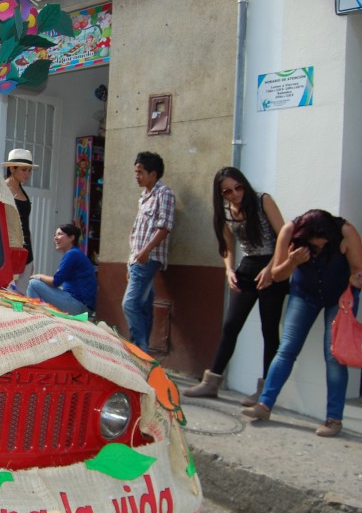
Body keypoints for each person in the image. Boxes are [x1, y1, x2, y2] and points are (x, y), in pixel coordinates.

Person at [242, 210, 362, 437]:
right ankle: (264, 405)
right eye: (315, 246)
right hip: (304, 295)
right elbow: (277, 275)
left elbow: (357, 270)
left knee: (334, 356)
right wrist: (292, 262)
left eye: (324, 245)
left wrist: (356, 279)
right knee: (287, 349)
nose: (320, 249)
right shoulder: (289, 232)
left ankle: (334, 419)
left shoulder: (346, 232)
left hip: (340, 296)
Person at [184, 167, 289, 400]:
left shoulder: (263, 200)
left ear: (244, 184)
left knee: (269, 329)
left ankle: (266, 393)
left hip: (273, 264)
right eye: (228, 191)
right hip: (248, 267)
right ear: (221, 194)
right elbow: (228, 246)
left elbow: (285, 236)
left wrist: (271, 269)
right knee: (231, 325)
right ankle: (211, 382)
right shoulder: (225, 211)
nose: (235, 194)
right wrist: (229, 269)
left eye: (238, 187)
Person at [122, 151, 175, 353]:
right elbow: (138, 232)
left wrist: (145, 251)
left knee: (129, 303)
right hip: (138, 259)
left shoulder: (164, 194)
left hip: (149, 257)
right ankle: (143, 351)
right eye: (136, 172)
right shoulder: (144, 197)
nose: (137, 176)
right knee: (143, 305)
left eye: (141, 172)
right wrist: (131, 262)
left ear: (153, 174)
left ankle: (138, 348)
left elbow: (165, 226)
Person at [27, 223, 97, 315]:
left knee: (33, 284)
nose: (55, 238)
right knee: (39, 285)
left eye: (60, 234)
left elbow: (55, 282)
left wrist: (39, 276)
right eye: (55, 235)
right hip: (83, 306)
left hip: (79, 306)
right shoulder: (75, 253)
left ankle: (35, 315)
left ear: (72, 238)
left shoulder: (72, 254)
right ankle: (40, 313)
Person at [3, 148, 35, 292]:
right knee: (6, 292)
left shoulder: (23, 191)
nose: (27, 174)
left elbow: (26, 225)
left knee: (20, 295)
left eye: (29, 170)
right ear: (11, 168)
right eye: (23, 170)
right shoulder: (2, 190)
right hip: (7, 251)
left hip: (25, 253)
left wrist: (31, 255)